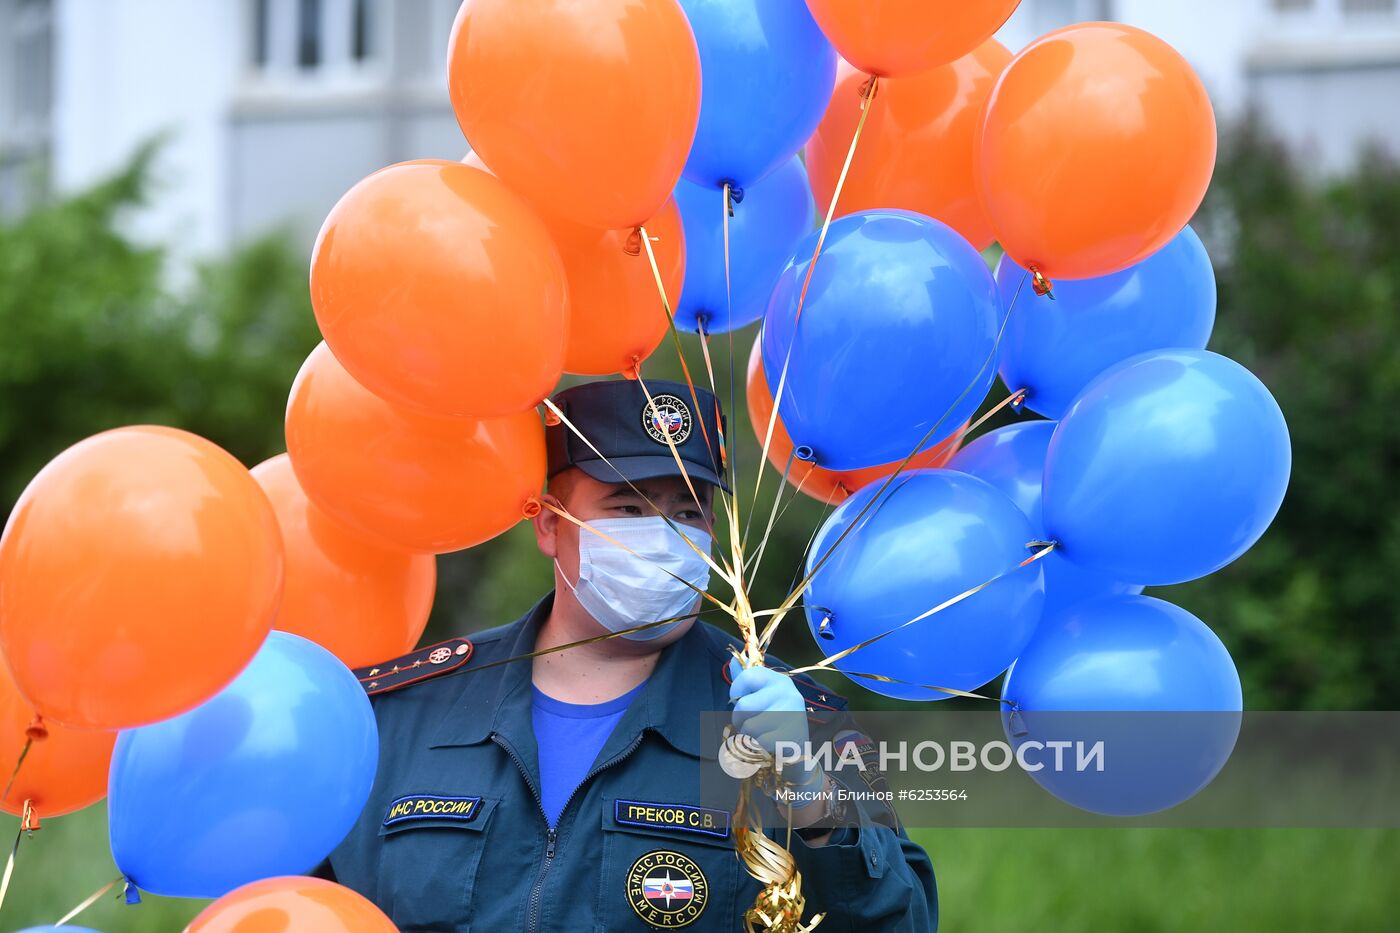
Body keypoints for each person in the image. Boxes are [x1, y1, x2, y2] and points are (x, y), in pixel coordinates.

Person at [314, 378, 937, 931]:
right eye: (628, 508)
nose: (663, 538)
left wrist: (812, 797)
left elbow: (900, 921)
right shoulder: (401, 714)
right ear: (550, 524)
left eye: (687, 511)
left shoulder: (802, 726)